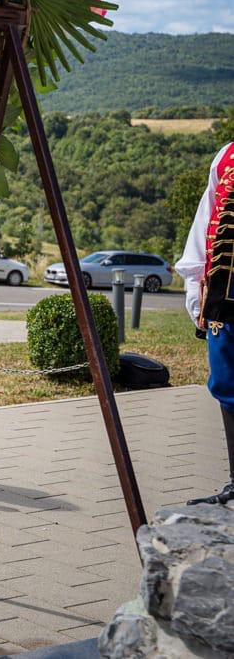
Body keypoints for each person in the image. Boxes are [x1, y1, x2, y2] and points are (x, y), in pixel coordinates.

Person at [176, 139, 234, 506]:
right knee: (227, 381)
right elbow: (207, 221)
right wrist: (196, 291)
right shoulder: (227, 156)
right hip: (225, 293)